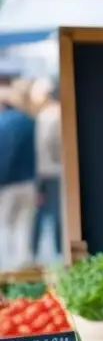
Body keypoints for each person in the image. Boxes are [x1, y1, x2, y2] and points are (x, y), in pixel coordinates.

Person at [0, 82, 38, 270]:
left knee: (5, 224)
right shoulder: (29, 121)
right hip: (29, 181)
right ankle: (23, 261)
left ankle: (6, 265)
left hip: (7, 183)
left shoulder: (2, 124)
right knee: (25, 223)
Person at [30, 77, 62, 262]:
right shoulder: (56, 114)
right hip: (55, 171)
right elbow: (54, 143)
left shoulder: (42, 114)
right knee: (57, 212)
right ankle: (59, 250)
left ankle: (33, 249)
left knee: (41, 212)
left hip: (42, 170)